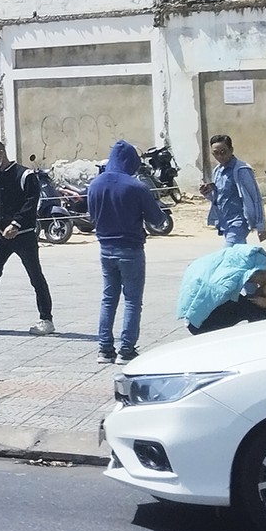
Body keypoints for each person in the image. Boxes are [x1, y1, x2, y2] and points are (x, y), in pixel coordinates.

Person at [87, 140, 172, 363]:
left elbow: (92, 216)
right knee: (133, 300)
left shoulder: (95, 185)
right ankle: (126, 349)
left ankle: (105, 349)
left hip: (105, 248)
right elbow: (157, 219)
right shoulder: (136, 187)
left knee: (108, 298)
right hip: (131, 248)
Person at [0, 139, 55, 335]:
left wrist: (16, 224)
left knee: (35, 276)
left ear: (0, 153)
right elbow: (0, 206)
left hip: (23, 235)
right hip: (1, 236)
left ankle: (46, 319)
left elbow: (31, 203)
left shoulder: (25, 175)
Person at [178, 244, 266, 333]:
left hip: (192, 318)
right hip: (199, 324)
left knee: (246, 303)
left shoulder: (223, 261)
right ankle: (265, 333)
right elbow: (216, 293)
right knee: (249, 308)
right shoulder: (228, 279)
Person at [201, 134, 266, 245]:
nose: (220, 156)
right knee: (238, 256)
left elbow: (255, 198)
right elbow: (218, 198)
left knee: (228, 255)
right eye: (215, 153)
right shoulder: (217, 171)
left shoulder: (241, 170)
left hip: (239, 222)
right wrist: (207, 193)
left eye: (223, 152)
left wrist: (261, 226)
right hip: (225, 221)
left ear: (231, 150)